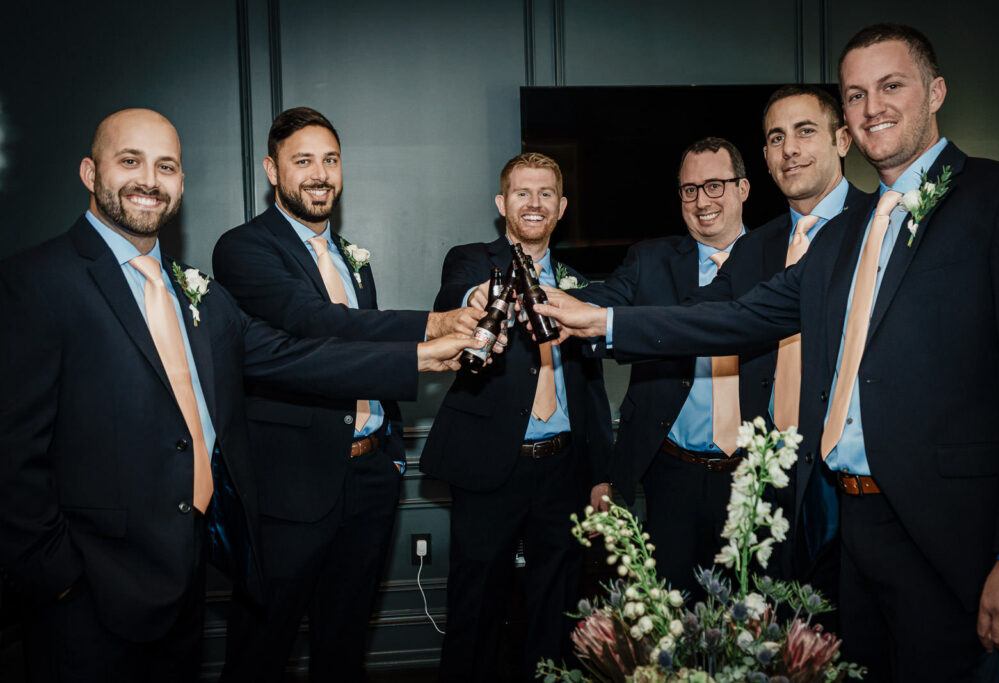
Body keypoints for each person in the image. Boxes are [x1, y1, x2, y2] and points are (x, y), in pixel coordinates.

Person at [536, 24, 999, 681]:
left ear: (935, 92)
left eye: (890, 86)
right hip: (853, 525)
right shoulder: (841, 237)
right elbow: (732, 320)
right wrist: (604, 319)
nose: (872, 104)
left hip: (948, 534)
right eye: (856, 93)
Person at [0, 108, 473, 682]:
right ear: (87, 172)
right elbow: (12, 457)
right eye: (131, 161)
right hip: (91, 587)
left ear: (181, 182)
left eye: (166, 166)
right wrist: (59, 580)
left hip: (188, 565)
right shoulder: (35, 281)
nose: (150, 180)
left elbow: (290, 356)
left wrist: (418, 357)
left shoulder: (196, 291)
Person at [212, 106, 482, 682]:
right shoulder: (242, 250)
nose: (320, 174)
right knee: (261, 651)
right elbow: (315, 324)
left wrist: (387, 455)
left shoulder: (352, 257)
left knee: (344, 646)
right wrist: (432, 327)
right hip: (291, 487)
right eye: (302, 160)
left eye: (330, 160)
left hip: (368, 481)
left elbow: (357, 357)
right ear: (271, 169)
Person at [421, 152, 613, 681]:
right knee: (476, 607)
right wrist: (477, 298)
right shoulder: (471, 260)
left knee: (558, 609)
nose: (534, 203)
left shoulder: (579, 283)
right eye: (522, 193)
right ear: (502, 203)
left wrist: (599, 473)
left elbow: (591, 388)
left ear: (561, 206)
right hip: (489, 467)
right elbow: (456, 294)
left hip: (563, 470)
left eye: (546, 194)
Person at [694, 86, 868, 619]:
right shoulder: (755, 246)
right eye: (776, 137)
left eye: (805, 131)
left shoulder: (881, 226)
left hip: (854, 485)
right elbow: (704, 318)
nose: (789, 148)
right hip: (765, 480)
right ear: (765, 159)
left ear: (843, 139)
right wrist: (599, 319)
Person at [571, 137, 756, 597]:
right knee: (669, 619)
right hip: (669, 472)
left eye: (715, 185)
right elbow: (596, 307)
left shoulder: (777, 260)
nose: (701, 201)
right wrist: (545, 301)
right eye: (689, 190)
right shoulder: (649, 259)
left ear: (744, 189)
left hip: (754, 478)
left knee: (751, 620)